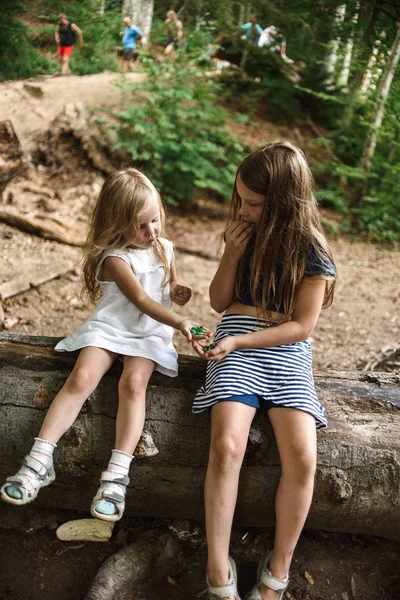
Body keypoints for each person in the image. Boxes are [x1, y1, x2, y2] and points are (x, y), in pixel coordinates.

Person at [0, 168, 211, 522]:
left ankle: (116, 474)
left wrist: (177, 291)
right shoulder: (115, 259)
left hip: (148, 334)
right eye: (140, 226)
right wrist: (181, 322)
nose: (151, 232)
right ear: (116, 223)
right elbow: (142, 300)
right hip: (112, 327)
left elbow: (167, 285)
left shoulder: (165, 247)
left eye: (155, 221)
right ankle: (39, 460)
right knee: (81, 378)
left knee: (133, 384)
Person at [192, 142, 336, 600]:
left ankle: (278, 569)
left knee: (303, 457)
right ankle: (218, 567)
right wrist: (231, 255)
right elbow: (219, 302)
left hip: (285, 349)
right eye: (240, 199)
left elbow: (301, 326)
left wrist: (243, 337)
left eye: (253, 204)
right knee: (227, 445)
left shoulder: (311, 251)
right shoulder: (241, 232)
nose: (243, 209)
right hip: (236, 335)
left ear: (284, 204)